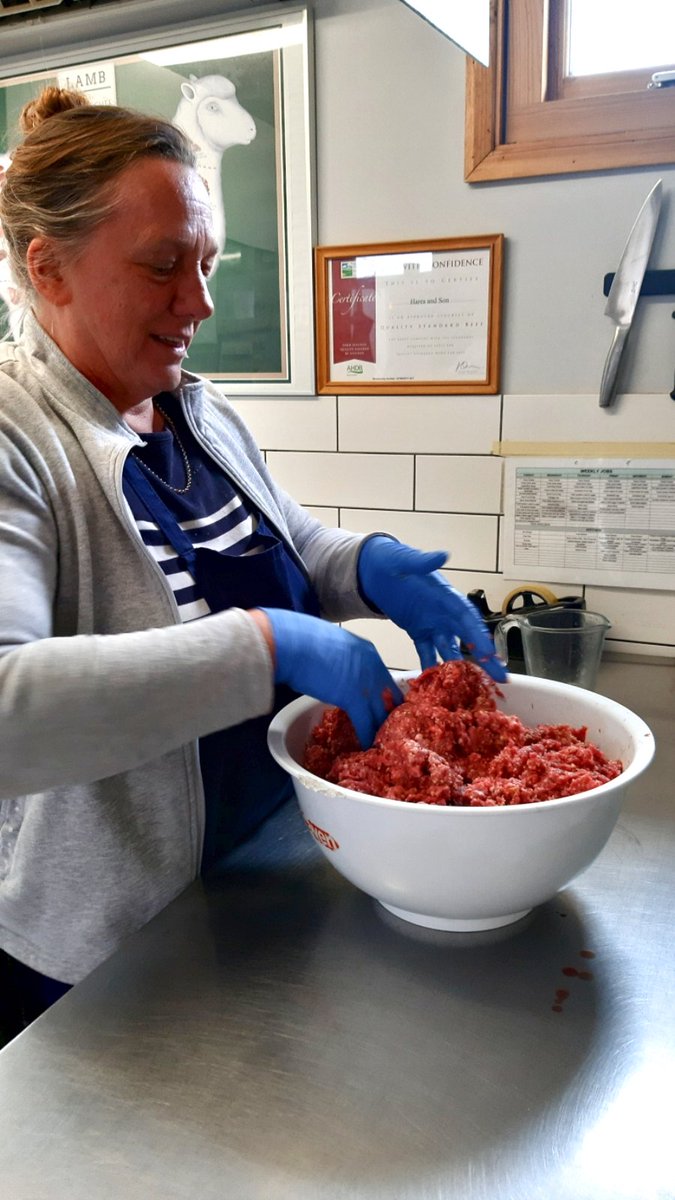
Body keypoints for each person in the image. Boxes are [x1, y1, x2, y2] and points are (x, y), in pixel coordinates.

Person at [0, 88, 505, 1038]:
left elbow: (284, 543)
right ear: (49, 267)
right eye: (161, 266)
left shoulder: (198, 407)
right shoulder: (15, 438)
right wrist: (266, 646)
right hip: (102, 960)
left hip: (261, 878)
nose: (198, 302)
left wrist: (366, 565)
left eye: (206, 264)